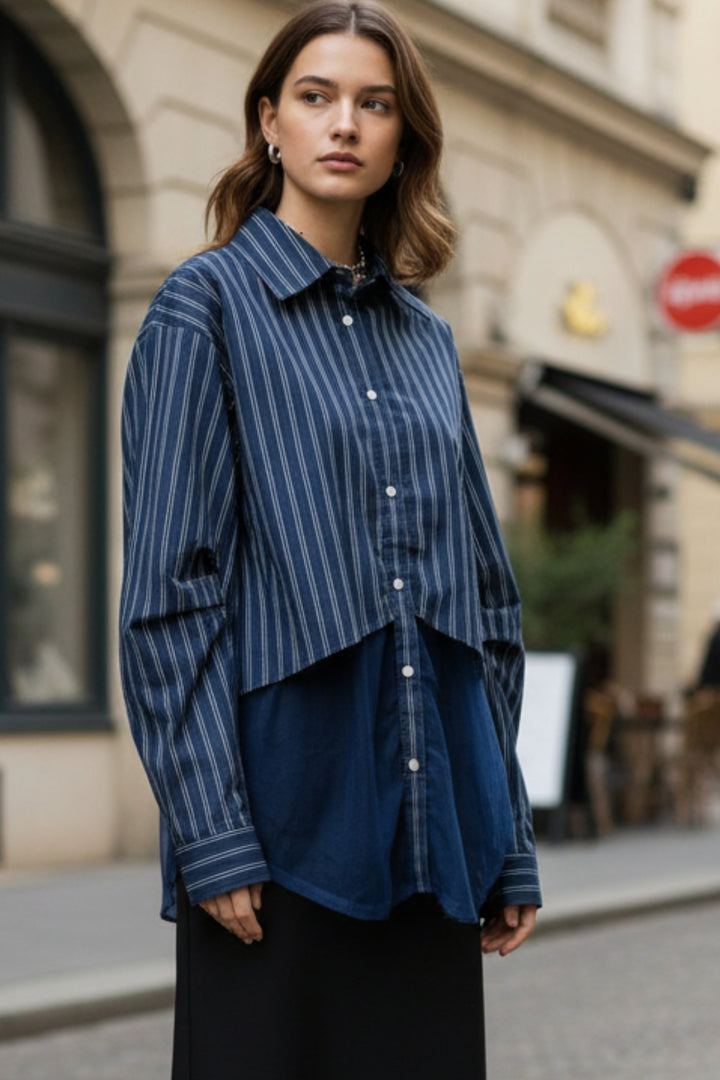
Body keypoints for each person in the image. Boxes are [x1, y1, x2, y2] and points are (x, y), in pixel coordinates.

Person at [119, 2, 541, 1077]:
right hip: (283, 829)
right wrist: (211, 834)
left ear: (404, 136)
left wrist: (507, 837)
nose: (343, 123)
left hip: (432, 830)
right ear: (270, 122)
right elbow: (174, 594)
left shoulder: (429, 341)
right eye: (315, 98)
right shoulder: (202, 309)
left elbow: (485, 599)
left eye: (374, 103)